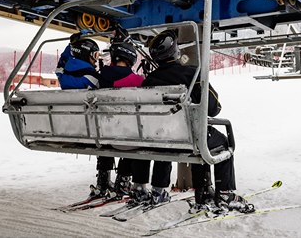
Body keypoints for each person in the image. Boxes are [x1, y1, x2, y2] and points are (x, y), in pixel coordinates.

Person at [130, 30, 254, 213]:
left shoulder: (149, 80)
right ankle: (224, 193)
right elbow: (213, 107)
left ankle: (202, 192)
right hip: (189, 138)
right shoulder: (191, 74)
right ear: (175, 51)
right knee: (221, 143)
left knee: (198, 137)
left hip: (160, 139)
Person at [55, 35, 106, 197]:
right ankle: (104, 180)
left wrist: (71, 46)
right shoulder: (93, 78)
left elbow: (61, 63)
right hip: (92, 128)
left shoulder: (63, 76)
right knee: (106, 137)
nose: (96, 59)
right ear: (87, 55)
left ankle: (102, 182)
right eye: (95, 55)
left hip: (70, 126)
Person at [98, 40, 144, 197]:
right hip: (127, 135)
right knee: (132, 136)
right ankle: (123, 180)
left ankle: (103, 180)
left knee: (107, 130)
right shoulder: (137, 80)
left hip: (104, 134)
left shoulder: (100, 78)